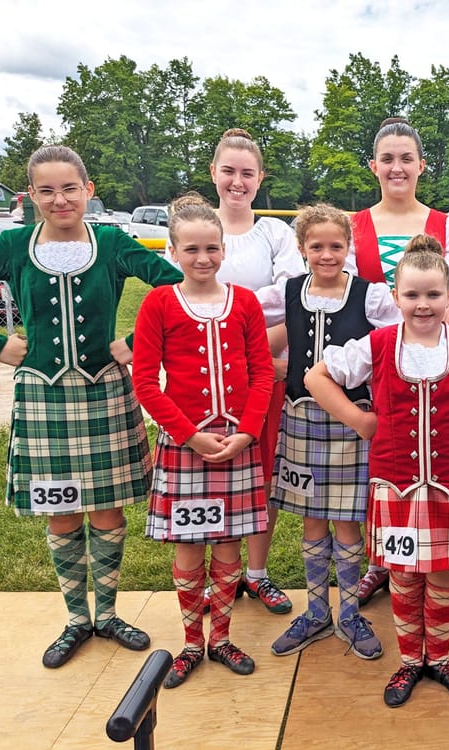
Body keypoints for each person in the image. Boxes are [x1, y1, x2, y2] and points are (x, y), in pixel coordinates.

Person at [0, 144, 183, 667]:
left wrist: (136, 339)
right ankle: (75, 620)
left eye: (69, 188)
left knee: (106, 509)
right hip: (41, 394)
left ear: (89, 190)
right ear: (30, 195)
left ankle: (106, 614)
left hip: (104, 388)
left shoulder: (110, 241)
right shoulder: (13, 244)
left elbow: (177, 287)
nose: (59, 199)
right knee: (59, 510)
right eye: (46, 191)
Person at [305, 237, 449, 707]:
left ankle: (441, 657)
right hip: (395, 484)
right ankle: (411, 659)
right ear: (396, 297)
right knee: (405, 575)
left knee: (448, 575)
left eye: (433, 294)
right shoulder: (378, 343)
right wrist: (360, 420)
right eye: (412, 295)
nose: (423, 304)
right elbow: (317, 377)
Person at [132, 193, 274, 688]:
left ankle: (223, 637)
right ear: (173, 252)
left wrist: (248, 431)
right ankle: (192, 642)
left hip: (236, 442)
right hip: (186, 442)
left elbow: (261, 375)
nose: (203, 258)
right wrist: (189, 436)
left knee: (229, 545)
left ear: (223, 249)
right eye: (191, 249)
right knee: (190, 547)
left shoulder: (246, 302)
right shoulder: (159, 303)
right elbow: (146, 382)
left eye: (212, 248)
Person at [349, 117, 449, 607]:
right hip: (371, 363)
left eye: (406, 158)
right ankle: (383, 560)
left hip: (429, 366)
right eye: (388, 158)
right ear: (374, 166)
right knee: (377, 465)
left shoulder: (445, 223)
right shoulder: (353, 223)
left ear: (421, 165)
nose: (397, 167)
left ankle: (429, 556)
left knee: (425, 461)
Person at [267, 204, 400, 660]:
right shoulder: (285, 292)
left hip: (349, 419)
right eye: (317, 246)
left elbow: (394, 345)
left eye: (336, 246)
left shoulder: (371, 295)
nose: (327, 254)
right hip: (300, 418)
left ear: (350, 247)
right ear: (302, 248)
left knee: (347, 519)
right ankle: (316, 610)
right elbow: (241, 321)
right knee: (311, 517)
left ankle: (349, 613)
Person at [204, 127, 307, 615]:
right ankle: (214, 577)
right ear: (214, 174)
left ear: (260, 178)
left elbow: (294, 306)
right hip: (206, 376)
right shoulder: (199, 230)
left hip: (263, 368)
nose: (237, 182)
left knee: (262, 472)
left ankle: (257, 574)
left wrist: (249, 357)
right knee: (213, 472)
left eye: (247, 173)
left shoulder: (275, 232)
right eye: (229, 171)